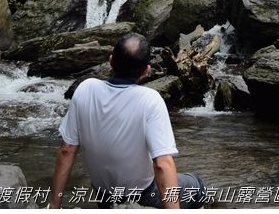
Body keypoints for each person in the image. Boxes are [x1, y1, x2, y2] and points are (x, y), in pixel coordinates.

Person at [48, 32, 204, 209]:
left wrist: (54, 206)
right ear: (146, 70)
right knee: (197, 186)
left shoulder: (85, 89)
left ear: (111, 60)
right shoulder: (150, 100)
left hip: (104, 195)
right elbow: (162, 164)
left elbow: (67, 150)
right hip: (143, 195)